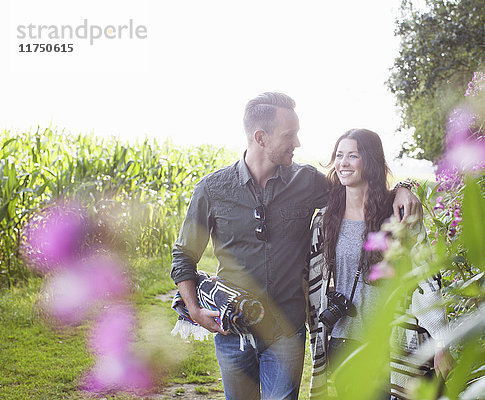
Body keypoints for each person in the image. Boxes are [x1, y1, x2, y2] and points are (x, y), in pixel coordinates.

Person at [170, 93, 423, 400]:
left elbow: (359, 186)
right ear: (260, 137)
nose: (298, 143)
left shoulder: (307, 181)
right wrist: (194, 310)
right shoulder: (211, 189)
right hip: (231, 331)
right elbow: (184, 255)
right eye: (289, 135)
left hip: (286, 331)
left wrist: (401, 190)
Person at [306, 129, 448, 399]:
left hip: (394, 342)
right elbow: (312, 282)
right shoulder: (323, 221)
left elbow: (427, 279)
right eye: (339, 155)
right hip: (344, 343)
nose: (343, 163)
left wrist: (441, 341)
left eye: (352, 155)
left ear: (369, 161)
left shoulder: (400, 217)